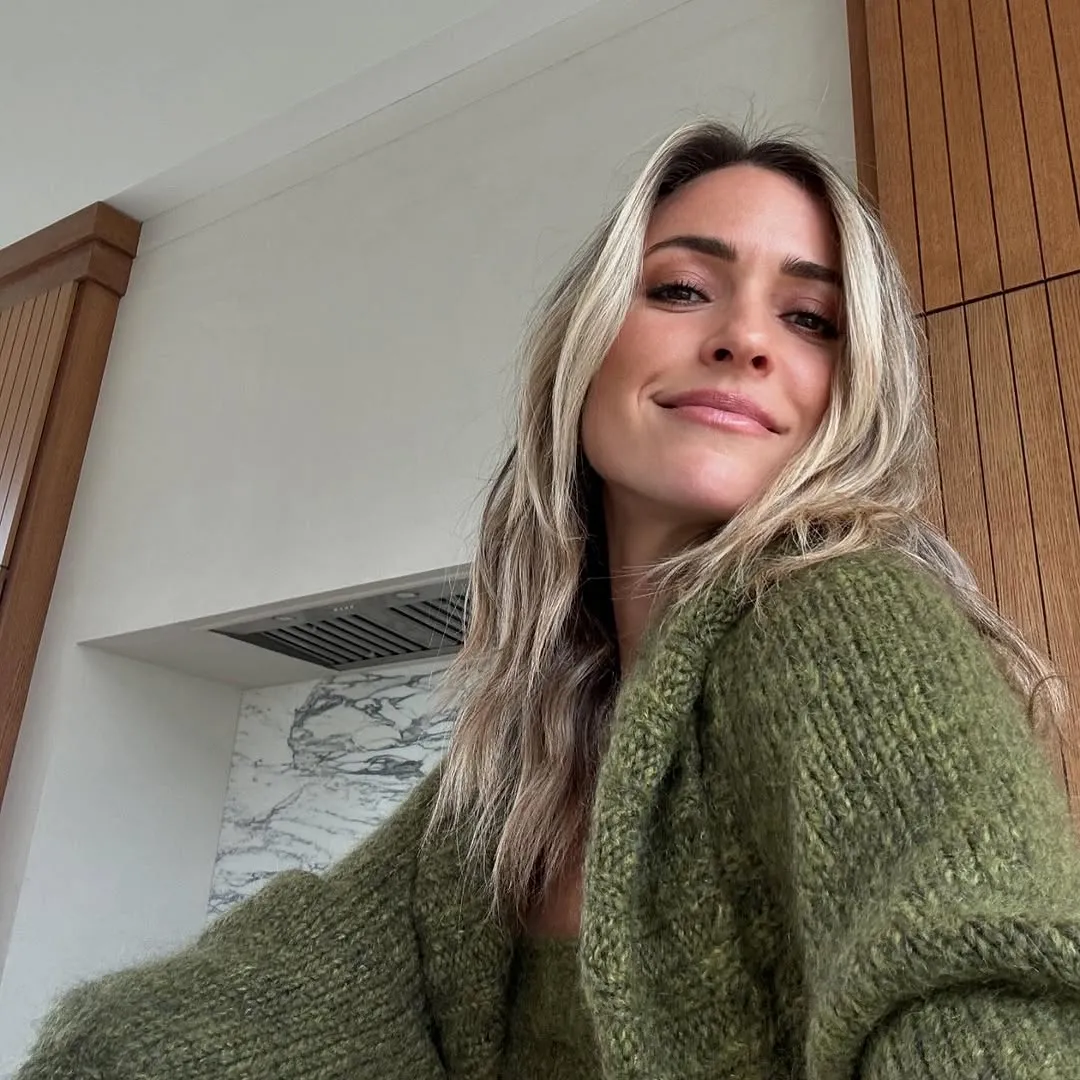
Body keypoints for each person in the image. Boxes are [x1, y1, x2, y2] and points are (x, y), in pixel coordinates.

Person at [15, 119, 1080, 1080]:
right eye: (680, 290)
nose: (747, 339)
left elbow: (982, 989)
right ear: (585, 347)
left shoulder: (840, 615)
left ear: (853, 391)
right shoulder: (522, 765)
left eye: (810, 318)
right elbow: (254, 1002)